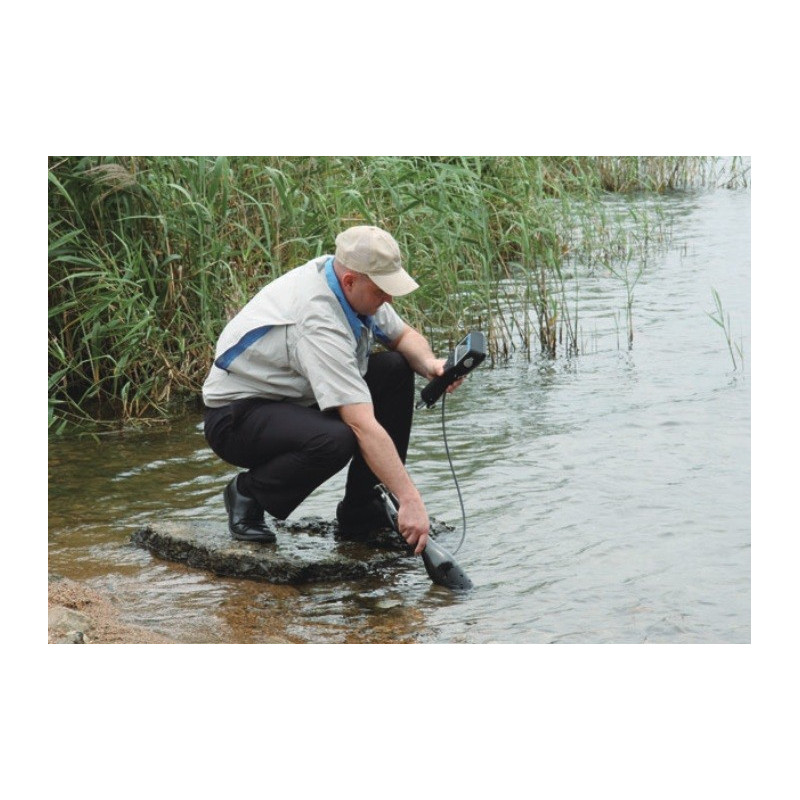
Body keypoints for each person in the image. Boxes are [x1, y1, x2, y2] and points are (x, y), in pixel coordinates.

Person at [202, 224, 462, 555]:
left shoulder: (347, 278)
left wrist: (430, 365)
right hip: (237, 417)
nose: (389, 298)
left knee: (396, 368)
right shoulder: (317, 319)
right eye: (382, 291)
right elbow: (361, 424)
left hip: (294, 400)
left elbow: (403, 337)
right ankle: (248, 493)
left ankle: (363, 508)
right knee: (336, 439)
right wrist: (410, 500)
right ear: (350, 281)